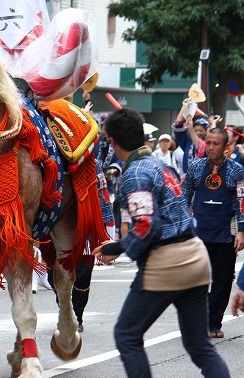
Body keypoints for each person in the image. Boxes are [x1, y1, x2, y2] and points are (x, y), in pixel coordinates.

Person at [93, 108, 229, 378]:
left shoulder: (134, 174)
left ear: (113, 142)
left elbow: (146, 226)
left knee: (127, 335)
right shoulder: (161, 165)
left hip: (168, 261)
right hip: (195, 255)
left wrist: (115, 247)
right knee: (199, 345)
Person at [182, 128, 244, 339]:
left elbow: (243, 203)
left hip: (225, 233)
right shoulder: (194, 167)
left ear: (226, 147)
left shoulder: (238, 171)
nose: (210, 147)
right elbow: (184, 197)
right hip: (198, 232)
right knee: (195, 280)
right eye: (208, 142)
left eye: (215, 143)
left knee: (223, 280)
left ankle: (214, 323)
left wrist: (242, 232)